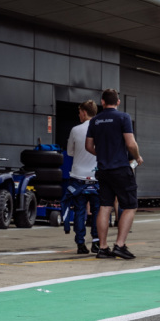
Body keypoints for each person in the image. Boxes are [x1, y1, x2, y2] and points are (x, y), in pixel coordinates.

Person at [85, 88, 140, 259]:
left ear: (102, 102)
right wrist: (137, 157)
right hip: (120, 169)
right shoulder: (123, 117)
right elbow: (130, 143)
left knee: (105, 207)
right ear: (118, 102)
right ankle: (120, 245)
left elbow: (88, 146)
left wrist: (102, 155)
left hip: (103, 170)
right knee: (130, 206)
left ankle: (102, 248)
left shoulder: (94, 121)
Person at [65, 99, 100, 254]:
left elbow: (70, 152)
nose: (79, 115)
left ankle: (80, 244)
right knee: (98, 211)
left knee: (80, 210)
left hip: (78, 176)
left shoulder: (75, 130)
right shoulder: (101, 129)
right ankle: (97, 242)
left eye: (79, 112)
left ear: (84, 112)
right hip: (96, 176)